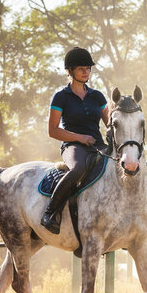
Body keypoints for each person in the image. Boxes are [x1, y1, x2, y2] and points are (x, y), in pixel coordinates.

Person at [40, 47, 110, 234]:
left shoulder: (97, 96)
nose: (86, 72)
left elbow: (109, 123)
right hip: (73, 147)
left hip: (98, 145)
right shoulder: (61, 97)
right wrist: (80, 138)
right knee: (78, 169)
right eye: (81, 68)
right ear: (69, 71)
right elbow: (53, 131)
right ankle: (50, 213)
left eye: (88, 68)